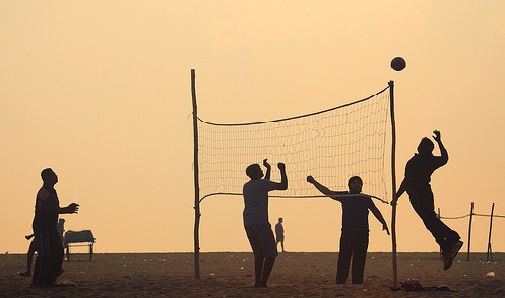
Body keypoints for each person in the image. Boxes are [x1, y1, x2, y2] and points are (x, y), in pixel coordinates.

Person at [392, 130, 462, 270]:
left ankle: (452, 238)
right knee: (429, 220)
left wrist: (396, 196)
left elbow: (407, 181)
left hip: (418, 194)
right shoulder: (430, 160)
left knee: (430, 220)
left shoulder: (414, 161)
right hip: (426, 193)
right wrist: (440, 142)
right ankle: (446, 246)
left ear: (419, 148)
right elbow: (445, 158)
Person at [307, 175, 390, 284]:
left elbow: (375, 210)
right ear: (349, 185)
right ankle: (340, 280)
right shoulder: (345, 196)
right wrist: (314, 182)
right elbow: (328, 192)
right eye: (354, 183)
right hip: (348, 232)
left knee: (360, 258)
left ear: (361, 186)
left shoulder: (365, 198)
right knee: (344, 258)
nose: (356, 184)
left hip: (362, 232)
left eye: (358, 183)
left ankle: (357, 281)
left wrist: (383, 222)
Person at [243, 159, 288, 288]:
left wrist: (268, 169)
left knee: (259, 254)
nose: (262, 171)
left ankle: (257, 282)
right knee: (271, 254)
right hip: (260, 222)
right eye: (260, 170)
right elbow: (284, 186)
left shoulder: (247, 185)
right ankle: (263, 283)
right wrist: (282, 171)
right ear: (256, 173)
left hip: (248, 222)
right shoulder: (261, 185)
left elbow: (265, 184)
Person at [32, 168, 79, 287]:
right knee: (44, 253)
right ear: (48, 177)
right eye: (53, 174)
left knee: (58, 252)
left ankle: (50, 279)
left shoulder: (52, 191)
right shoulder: (44, 192)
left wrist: (66, 210)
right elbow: (48, 209)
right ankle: (38, 280)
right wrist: (66, 210)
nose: (56, 175)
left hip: (51, 228)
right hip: (42, 227)